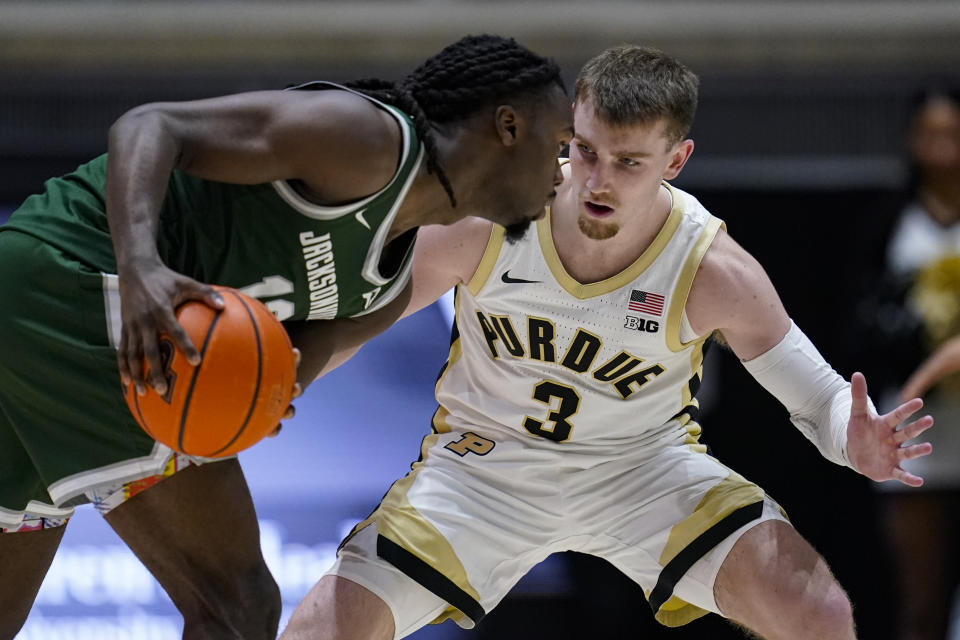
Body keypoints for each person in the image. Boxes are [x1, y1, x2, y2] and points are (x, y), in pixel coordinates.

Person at [279, 45, 934, 640]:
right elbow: (359, 322)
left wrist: (853, 437)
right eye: (586, 151)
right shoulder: (490, 215)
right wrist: (286, 376)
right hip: (485, 471)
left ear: (676, 161)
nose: (597, 180)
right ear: (569, 131)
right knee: (318, 629)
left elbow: (817, 396)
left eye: (628, 163)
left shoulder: (710, 266)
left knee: (816, 611)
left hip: (643, 472)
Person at [0, 34, 574, 640]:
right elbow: (150, 126)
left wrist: (256, 404)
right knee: (238, 608)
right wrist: (141, 264)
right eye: (561, 145)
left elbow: (284, 371)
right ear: (508, 126)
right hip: (73, 281)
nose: (563, 174)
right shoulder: (370, 140)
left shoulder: (385, 292)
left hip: (46, 322)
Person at [872, 89, 960, 640]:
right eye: (931, 135)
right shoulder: (890, 221)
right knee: (920, 603)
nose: (944, 150)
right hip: (918, 422)